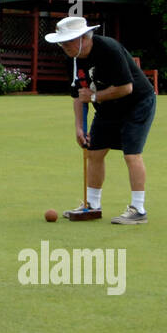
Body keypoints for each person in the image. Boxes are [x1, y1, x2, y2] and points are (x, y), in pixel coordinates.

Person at [44, 15, 156, 225]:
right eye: (62, 42)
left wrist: (95, 97)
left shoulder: (109, 49)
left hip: (137, 103)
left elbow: (126, 88)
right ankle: (92, 206)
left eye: (68, 41)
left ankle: (138, 209)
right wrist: (79, 127)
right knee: (93, 152)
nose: (64, 46)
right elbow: (78, 95)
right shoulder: (72, 59)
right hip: (108, 107)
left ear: (84, 38)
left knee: (131, 154)